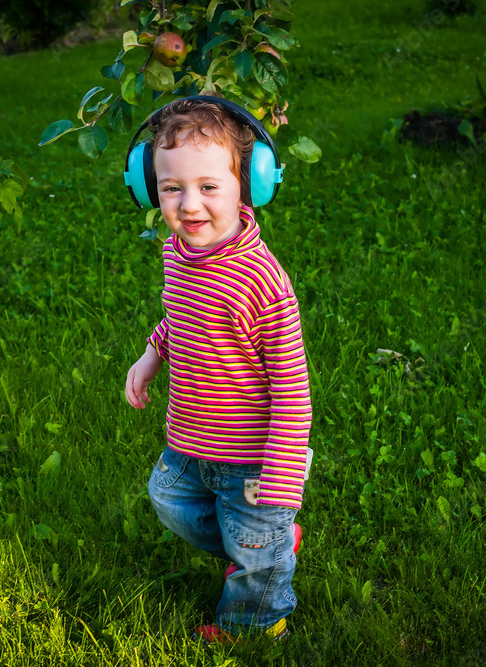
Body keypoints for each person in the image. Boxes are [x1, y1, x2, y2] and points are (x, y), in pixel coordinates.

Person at [123, 97, 313, 644]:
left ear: (249, 185)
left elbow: (291, 388)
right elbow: (181, 314)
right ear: (148, 188)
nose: (189, 205)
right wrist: (153, 352)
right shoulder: (177, 253)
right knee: (170, 501)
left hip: (253, 455)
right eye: (171, 188)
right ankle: (271, 544)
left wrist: (280, 480)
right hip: (192, 437)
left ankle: (254, 624)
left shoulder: (260, 280)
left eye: (208, 186)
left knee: (253, 547)